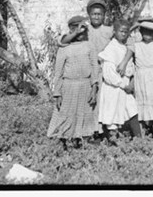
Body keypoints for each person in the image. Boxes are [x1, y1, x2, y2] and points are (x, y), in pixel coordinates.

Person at [47, 15, 101, 149]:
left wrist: (94, 88)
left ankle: (84, 141)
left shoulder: (89, 46)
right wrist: (57, 93)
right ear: (71, 30)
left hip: (85, 85)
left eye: (84, 30)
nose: (82, 33)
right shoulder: (64, 47)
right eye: (78, 29)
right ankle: (64, 142)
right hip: (69, 86)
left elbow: (95, 67)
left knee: (86, 113)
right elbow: (58, 72)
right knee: (66, 113)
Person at [97, 20, 142, 143]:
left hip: (125, 86)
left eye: (126, 32)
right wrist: (123, 85)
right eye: (121, 31)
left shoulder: (125, 47)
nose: (123, 34)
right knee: (112, 114)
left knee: (132, 110)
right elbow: (109, 74)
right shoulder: (111, 48)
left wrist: (130, 82)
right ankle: (113, 142)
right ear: (115, 32)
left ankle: (139, 140)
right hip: (114, 88)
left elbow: (130, 67)